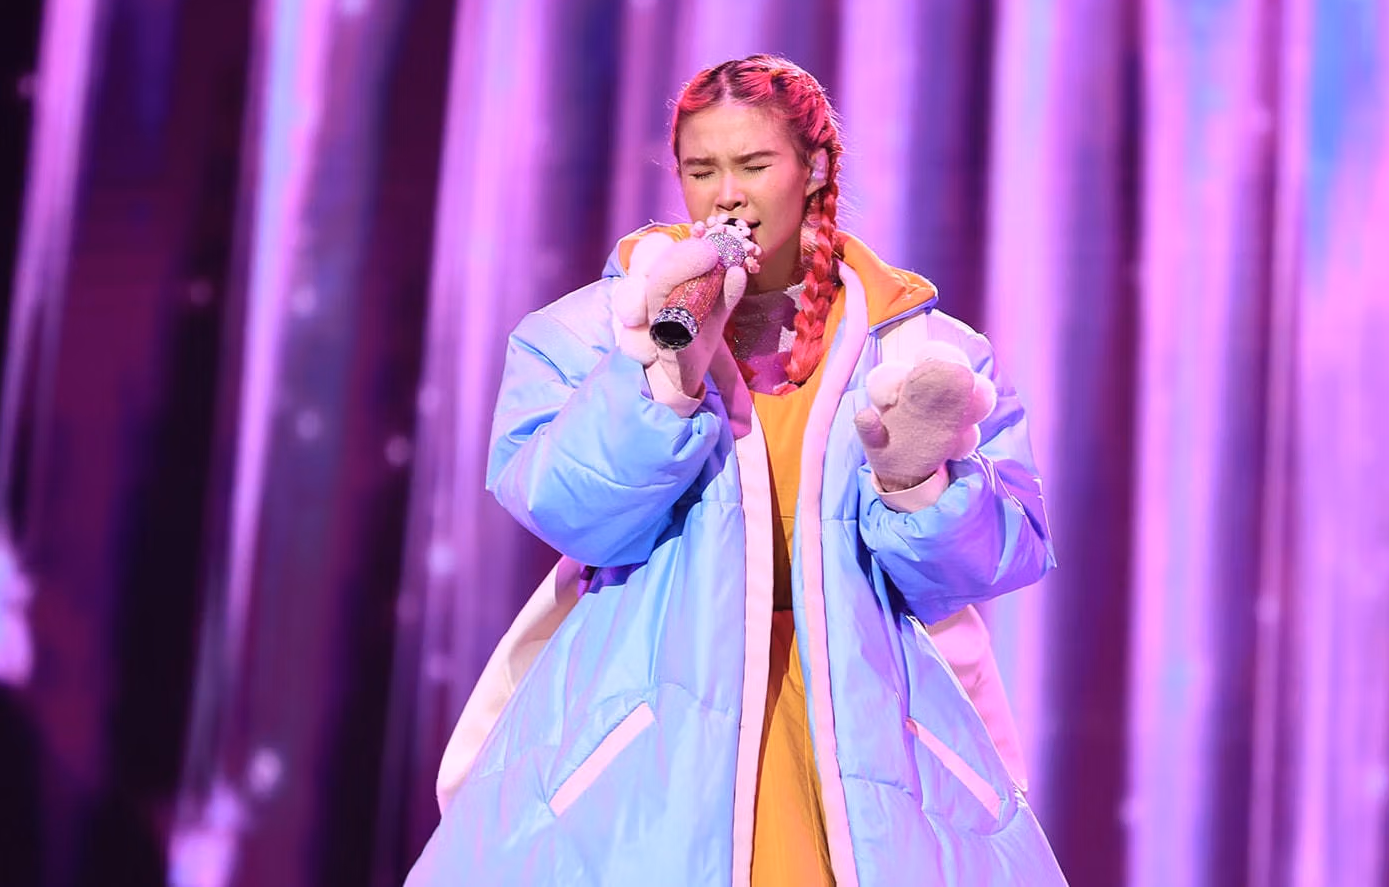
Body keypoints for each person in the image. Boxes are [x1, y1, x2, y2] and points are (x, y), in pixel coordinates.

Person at [406, 54, 1067, 886]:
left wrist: (916, 485)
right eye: (700, 170)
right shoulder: (587, 332)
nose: (726, 195)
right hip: (647, 734)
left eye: (753, 165)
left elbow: (996, 561)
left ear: (813, 168)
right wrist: (662, 383)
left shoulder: (924, 349)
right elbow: (567, 511)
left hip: (862, 733)